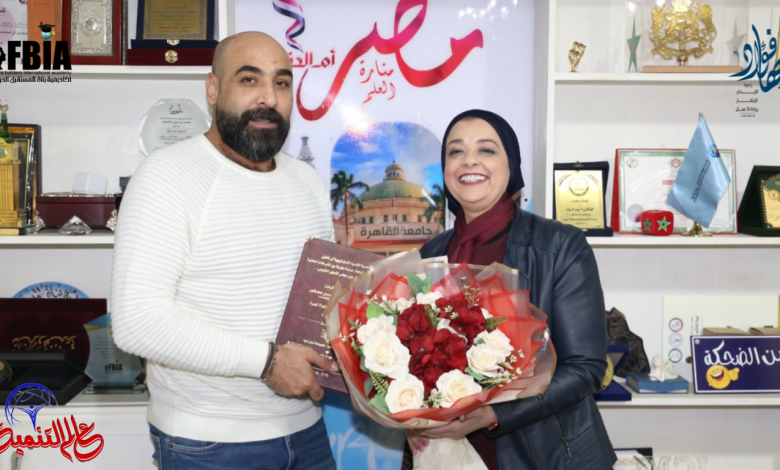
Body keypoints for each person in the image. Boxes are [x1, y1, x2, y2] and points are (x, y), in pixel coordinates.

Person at [111, 32, 338, 470]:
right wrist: (268, 362)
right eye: (249, 80)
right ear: (213, 88)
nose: (269, 98)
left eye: (282, 83)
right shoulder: (166, 175)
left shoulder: (306, 180)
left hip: (307, 430)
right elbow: (137, 323)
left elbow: (319, 301)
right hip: (209, 443)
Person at [406, 110, 616, 469]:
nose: (469, 160)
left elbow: (585, 367)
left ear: (511, 165)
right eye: (456, 151)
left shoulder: (559, 245)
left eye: (486, 150)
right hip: (447, 454)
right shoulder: (430, 254)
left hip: (544, 453)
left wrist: (493, 413)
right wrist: (411, 414)